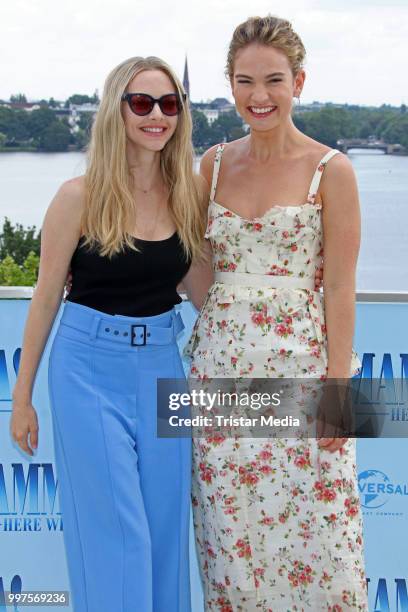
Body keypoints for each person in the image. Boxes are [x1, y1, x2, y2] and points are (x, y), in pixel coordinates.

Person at [10, 55, 208, 612]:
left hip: (164, 366)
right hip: (87, 370)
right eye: (141, 103)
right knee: (119, 536)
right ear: (116, 110)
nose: (157, 116)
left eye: (169, 104)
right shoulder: (78, 197)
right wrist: (22, 397)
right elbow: (46, 295)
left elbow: (206, 292)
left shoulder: (185, 196)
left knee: (166, 531)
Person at [183, 15, 368, 611]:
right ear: (230, 85)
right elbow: (194, 270)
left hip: (304, 375)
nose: (258, 96)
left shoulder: (331, 170)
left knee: (319, 538)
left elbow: (340, 289)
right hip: (218, 373)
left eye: (273, 80)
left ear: (299, 82)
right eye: (244, 81)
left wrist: (338, 395)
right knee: (232, 539)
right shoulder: (209, 166)